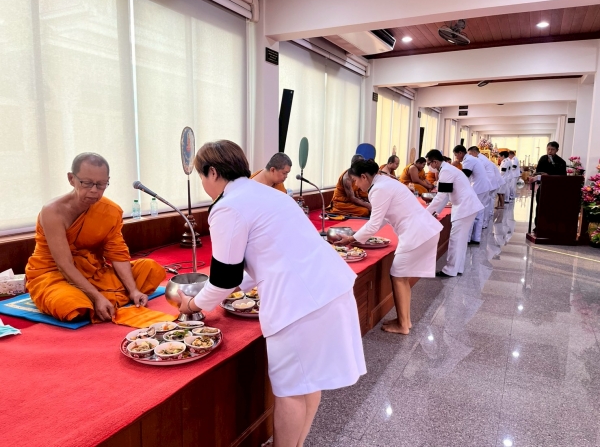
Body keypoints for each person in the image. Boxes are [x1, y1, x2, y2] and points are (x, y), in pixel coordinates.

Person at [176, 140, 366, 447]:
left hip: (300, 302)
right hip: (329, 287)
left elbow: (225, 277)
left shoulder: (227, 206)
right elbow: (262, 258)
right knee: (308, 379)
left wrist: (192, 304)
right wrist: (224, 289)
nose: (203, 185)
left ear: (212, 172)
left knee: (290, 388)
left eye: (201, 177)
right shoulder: (267, 193)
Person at [25, 153, 166, 325]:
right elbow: (64, 264)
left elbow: (117, 255)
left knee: (150, 268)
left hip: (95, 272)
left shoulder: (110, 210)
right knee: (69, 304)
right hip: (54, 274)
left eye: (101, 184)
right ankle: (97, 299)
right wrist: (97, 297)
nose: (94, 190)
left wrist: (134, 290)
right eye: (87, 183)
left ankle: (99, 299)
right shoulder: (53, 212)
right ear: (71, 179)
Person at [334, 159, 442, 335]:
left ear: (364, 177)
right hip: (422, 230)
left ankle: (402, 325)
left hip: (416, 234)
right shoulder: (384, 182)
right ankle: (405, 321)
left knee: (398, 276)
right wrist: (359, 235)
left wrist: (351, 239)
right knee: (401, 276)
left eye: (356, 180)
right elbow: (383, 218)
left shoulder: (378, 189)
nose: (356, 185)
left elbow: (374, 223)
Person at [425, 149, 484, 277]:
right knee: (460, 240)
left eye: (429, 163)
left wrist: (426, 213)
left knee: (456, 240)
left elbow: (440, 196)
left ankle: (450, 270)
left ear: (435, 162)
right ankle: (458, 268)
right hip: (467, 206)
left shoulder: (446, 171)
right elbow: (446, 195)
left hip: (465, 207)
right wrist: (435, 212)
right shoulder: (447, 169)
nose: (429, 166)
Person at [453, 145, 492, 245]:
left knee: (472, 212)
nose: (456, 158)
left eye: (456, 155)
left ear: (460, 153)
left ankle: (467, 239)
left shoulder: (468, 160)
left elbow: (465, 176)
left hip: (479, 188)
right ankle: (476, 238)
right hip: (484, 187)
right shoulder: (472, 159)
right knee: (479, 212)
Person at [530, 141, 567, 230]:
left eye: (552, 149)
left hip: (555, 189)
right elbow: (537, 171)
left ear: (557, 150)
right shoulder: (543, 158)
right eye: (548, 149)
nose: (550, 151)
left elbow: (562, 176)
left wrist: (550, 174)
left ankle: (551, 226)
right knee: (540, 206)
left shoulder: (561, 162)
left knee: (553, 207)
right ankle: (538, 226)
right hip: (543, 187)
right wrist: (542, 173)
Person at [468, 146, 503, 226]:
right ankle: (487, 219)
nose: (469, 156)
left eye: (470, 154)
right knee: (488, 202)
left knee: (484, 203)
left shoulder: (479, 160)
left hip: (487, 182)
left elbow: (477, 172)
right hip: (489, 182)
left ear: (474, 152)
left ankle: (484, 221)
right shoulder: (482, 158)